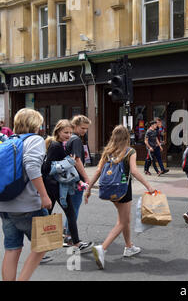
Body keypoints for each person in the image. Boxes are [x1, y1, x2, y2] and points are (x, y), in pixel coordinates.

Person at [86, 125, 156, 270]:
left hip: (110, 190)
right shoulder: (130, 151)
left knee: (124, 219)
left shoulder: (108, 151)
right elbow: (135, 171)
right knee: (123, 222)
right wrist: (149, 186)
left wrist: (88, 189)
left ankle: (129, 246)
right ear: (127, 137)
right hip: (124, 190)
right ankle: (102, 248)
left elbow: (99, 171)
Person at [0, 108, 52, 281]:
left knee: (12, 249)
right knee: (45, 243)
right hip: (29, 205)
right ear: (35, 124)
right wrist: (44, 196)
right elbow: (31, 166)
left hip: (5, 205)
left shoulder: (9, 141)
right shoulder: (35, 140)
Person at [42, 119, 94, 256]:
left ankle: (41, 250)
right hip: (54, 186)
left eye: (70, 132)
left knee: (49, 215)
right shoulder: (56, 146)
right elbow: (46, 168)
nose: (68, 135)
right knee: (66, 213)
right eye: (66, 132)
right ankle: (75, 243)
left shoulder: (57, 144)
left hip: (53, 186)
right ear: (58, 131)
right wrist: (67, 162)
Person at [64, 115, 91, 245]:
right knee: (74, 207)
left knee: (71, 207)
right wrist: (86, 177)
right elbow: (76, 159)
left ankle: (66, 233)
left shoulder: (70, 138)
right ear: (74, 126)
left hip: (70, 178)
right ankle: (69, 236)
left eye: (86, 129)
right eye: (82, 128)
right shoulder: (76, 140)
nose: (84, 131)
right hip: (76, 179)